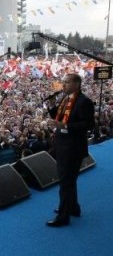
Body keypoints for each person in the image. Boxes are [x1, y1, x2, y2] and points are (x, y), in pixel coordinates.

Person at [46, 73, 95, 227]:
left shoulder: (84, 101)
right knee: (69, 181)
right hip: (63, 145)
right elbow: (60, 118)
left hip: (72, 148)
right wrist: (52, 106)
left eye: (66, 82)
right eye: (63, 82)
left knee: (66, 183)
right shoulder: (65, 98)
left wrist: (65, 126)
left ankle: (63, 216)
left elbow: (88, 125)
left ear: (76, 84)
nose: (63, 85)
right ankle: (73, 208)